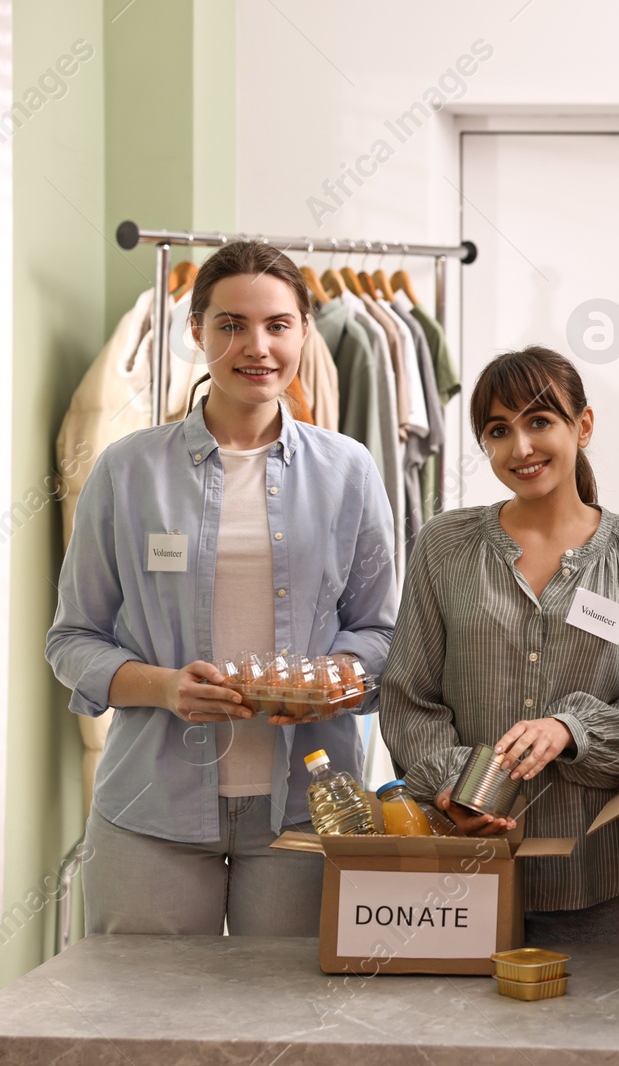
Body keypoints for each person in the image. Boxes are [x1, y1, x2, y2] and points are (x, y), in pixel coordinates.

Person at [46, 241, 397, 934]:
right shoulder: (127, 470)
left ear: (304, 330)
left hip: (309, 805)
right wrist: (168, 687)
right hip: (152, 805)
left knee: (293, 1028)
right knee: (149, 1026)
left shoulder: (349, 469)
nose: (256, 346)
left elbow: (383, 634)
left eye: (278, 324)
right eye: (231, 324)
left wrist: (336, 676)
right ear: (196, 331)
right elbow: (73, 640)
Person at [381, 346, 619, 946]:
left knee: (587, 1040)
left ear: (584, 426)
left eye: (539, 421)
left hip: (592, 871)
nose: (520, 447)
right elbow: (409, 698)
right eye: (499, 430)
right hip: (463, 870)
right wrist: (453, 789)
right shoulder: (445, 546)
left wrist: (570, 730)